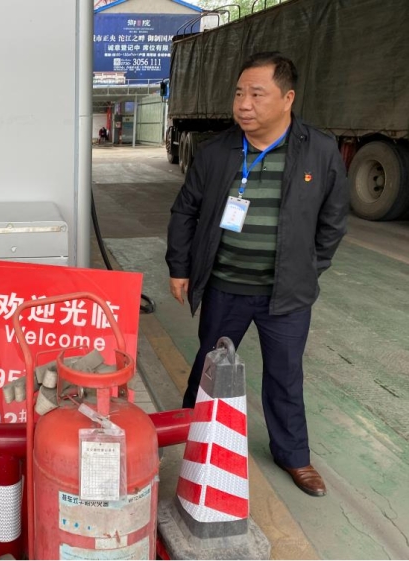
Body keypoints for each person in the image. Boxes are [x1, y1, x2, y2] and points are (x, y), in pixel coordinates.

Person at [165, 52, 348, 497]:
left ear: (288, 98)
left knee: (285, 376)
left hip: (285, 294)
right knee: (209, 366)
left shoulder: (319, 150)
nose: (244, 104)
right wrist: (180, 267)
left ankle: (294, 456)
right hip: (225, 286)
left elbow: (333, 220)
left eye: (256, 94)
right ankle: (192, 433)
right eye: (239, 94)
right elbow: (185, 211)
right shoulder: (217, 152)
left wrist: (308, 269)